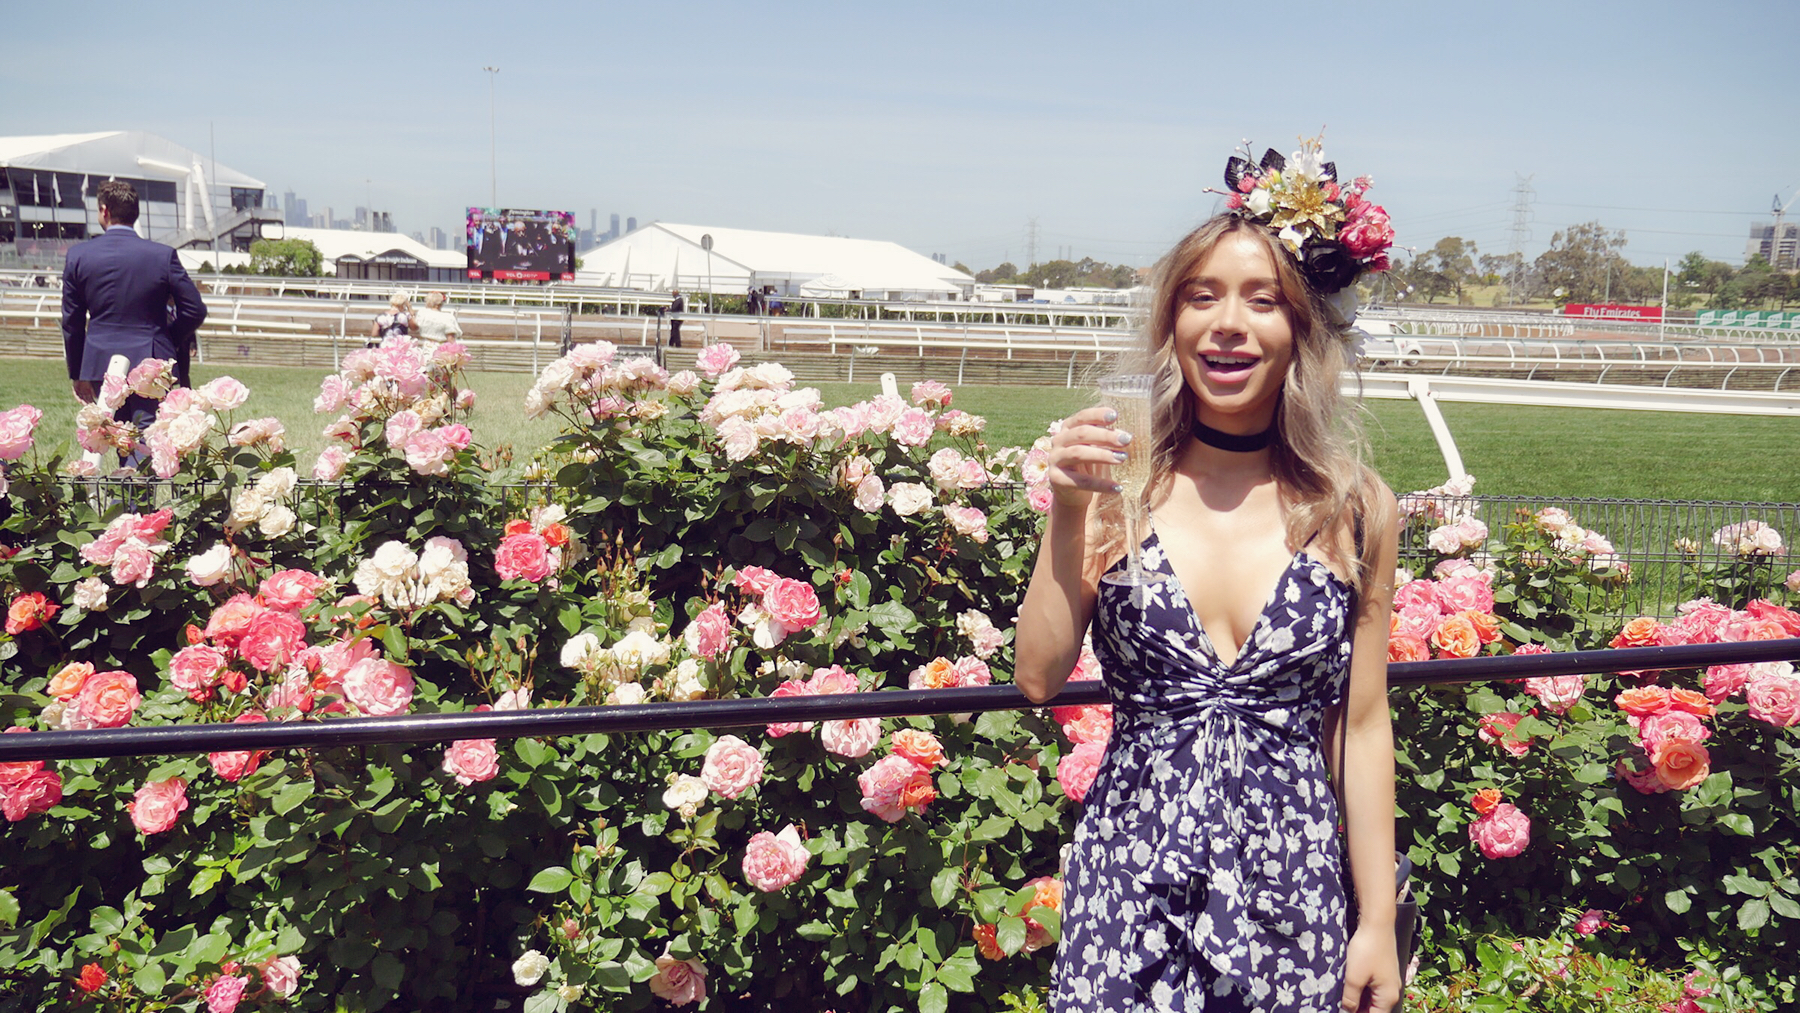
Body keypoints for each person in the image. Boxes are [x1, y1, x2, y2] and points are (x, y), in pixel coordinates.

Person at [1014, 136, 1401, 1013]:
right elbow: (1037, 677)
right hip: (1129, 889)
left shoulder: (1356, 507)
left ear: (1301, 327)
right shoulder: (1116, 490)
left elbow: (1363, 725)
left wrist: (1374, 918)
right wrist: (1067, 511)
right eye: (1203, 297)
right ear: (1172, 323)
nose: (1229, 323)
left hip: (1293, 893)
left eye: (1262, 300)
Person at [62, 179, 207, 422]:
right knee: (149, 436)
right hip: (152, 357)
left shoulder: (78, 255)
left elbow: (72, 321)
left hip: (100, 361)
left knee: (119, 437)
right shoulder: (162, 255)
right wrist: (169, 336)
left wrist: (78, 372)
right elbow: (195, 309)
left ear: (104, 211)